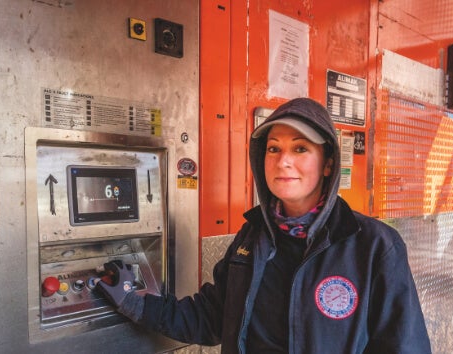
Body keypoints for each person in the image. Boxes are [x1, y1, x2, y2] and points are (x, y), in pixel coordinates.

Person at [96, 97, 431, 353]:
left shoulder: (373, 246)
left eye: (300, 148)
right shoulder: (252, 239)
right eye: (274, 148)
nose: (283, 161)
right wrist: (135, 303)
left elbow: (405, 346)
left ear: (328, 164)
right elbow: (211, 318)